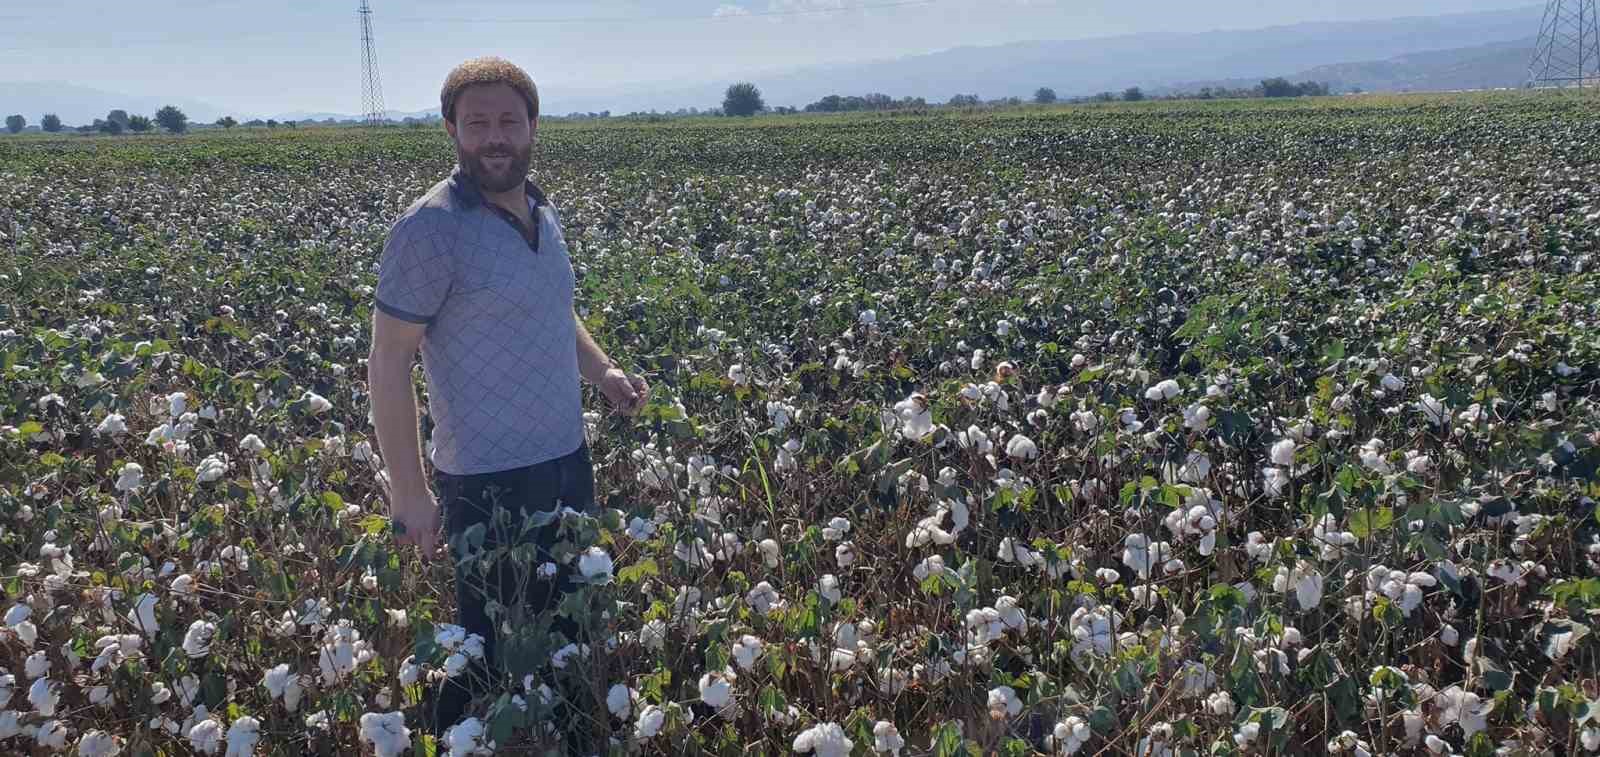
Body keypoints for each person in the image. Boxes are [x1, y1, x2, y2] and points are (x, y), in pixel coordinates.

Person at [366, 56, 649, 741]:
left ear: (532, 127)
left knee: (573, 622)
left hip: (565, 457)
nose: (496, 136)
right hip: (485, 478)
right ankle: (454, 740)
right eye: (478, 122)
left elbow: (556, 312)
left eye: (508, 121)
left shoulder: (541, 212)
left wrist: (603, 370)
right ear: (451, 130)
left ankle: (573, 738)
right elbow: (388, 359)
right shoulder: (428, 229)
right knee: (488, 640)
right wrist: (409, 490)